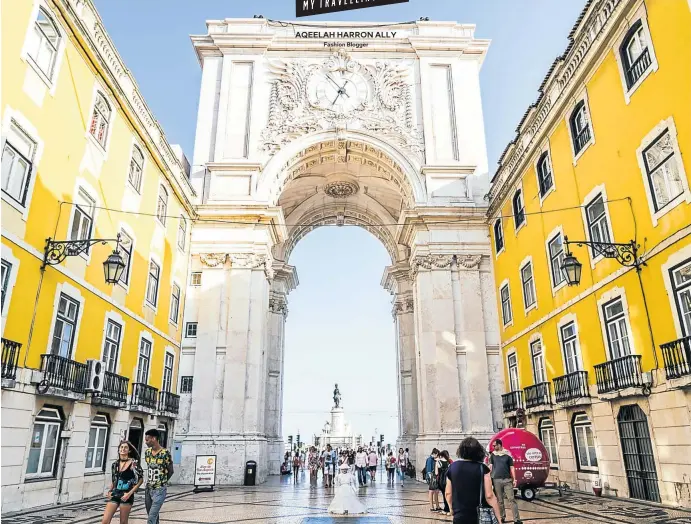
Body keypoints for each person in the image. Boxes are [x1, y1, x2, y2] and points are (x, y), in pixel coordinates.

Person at [445, 437, 501, 524]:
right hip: (479, 517)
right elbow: (489, 496)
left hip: (459, 516)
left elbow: (448, 493)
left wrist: (452, 509)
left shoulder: (453, 467)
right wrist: (498, 519)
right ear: (478, 452)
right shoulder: (482, 468)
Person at [101, 441, 143, 524]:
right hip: (115, 493)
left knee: (123, 522)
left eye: (125, 447)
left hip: (127, 495)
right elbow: (114, 479)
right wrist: (110, 491)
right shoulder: (114, 464)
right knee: (105, 521)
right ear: (118, 450)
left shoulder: (133, 463)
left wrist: (129, 494)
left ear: (129, 450)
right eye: (121, 447)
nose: (123, 449)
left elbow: (140, 480)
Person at [143, 429, 173, 524]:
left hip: (159, 489)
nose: (146, 442)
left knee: (151, 517)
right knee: (153, 516)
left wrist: (162, 481)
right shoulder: (147, 452)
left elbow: (171, 471)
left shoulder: (165, 453)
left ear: (154, 438)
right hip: (148, 488)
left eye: (147, 440)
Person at [489, 439, 522, 524]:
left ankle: (516, 519)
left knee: (512, 499)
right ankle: (502, 517)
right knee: (500, 501)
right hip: (496, 480)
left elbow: (512, 467)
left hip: (507, 479)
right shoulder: (492, 455)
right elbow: (490, 467)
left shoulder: (507, 454)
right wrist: (488, 478)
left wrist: (515, 479)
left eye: (494, 445)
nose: (493, 447)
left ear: (499, 445)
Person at [437, 450, 451, 515]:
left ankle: (446, 509)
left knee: (444, 495)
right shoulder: (449, 462)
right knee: (449, 494)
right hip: (448, 480)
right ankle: (449, 509)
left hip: (441, 481)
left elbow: (436, 473)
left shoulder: (438, 462)